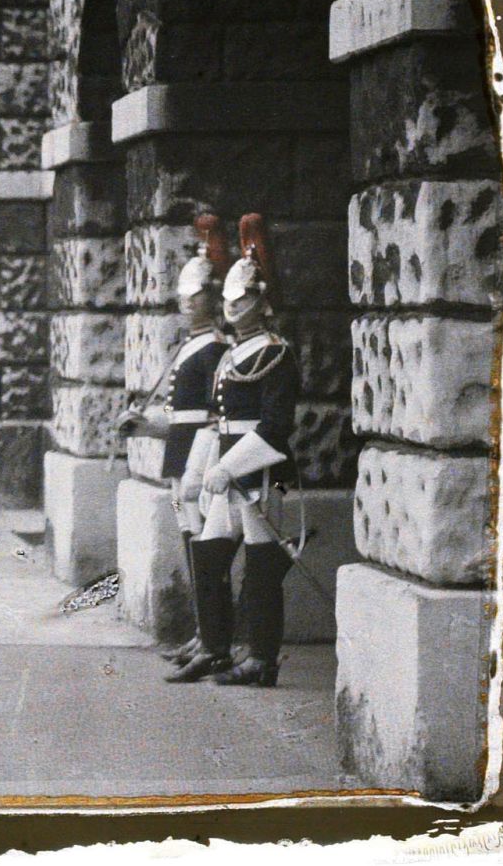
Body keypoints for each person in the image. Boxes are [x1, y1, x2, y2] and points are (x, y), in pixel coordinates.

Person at [168, 213, 299, 687]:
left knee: (263, 569)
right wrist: (211, 470)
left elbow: (276, 427)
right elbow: (219, 420)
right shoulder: (231, 355)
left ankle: (262, 659)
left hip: (267, 472)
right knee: (208, 554)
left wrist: (229, 466)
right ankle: (217, 647)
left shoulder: (275, 352)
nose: (232, 307)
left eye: (241, 299)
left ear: (261, 302)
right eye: (228, 299)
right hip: (229, 471)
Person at [121, 212, 230, 668]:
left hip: (201, 461)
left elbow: (212, 417)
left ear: (215, 296)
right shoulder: (186, 348)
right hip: (180, 457)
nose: (188, 301)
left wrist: (198, 466)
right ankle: (203, 634)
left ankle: (215, 643)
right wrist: (145, 425)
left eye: (198, 293)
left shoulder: (216, 349)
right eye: (185, 293)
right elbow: (178, 417)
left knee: (208, 555)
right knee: (192, 551)